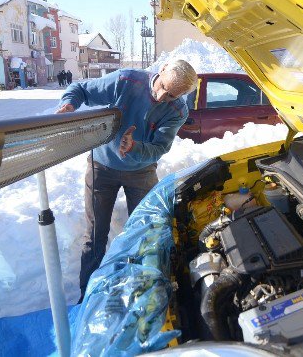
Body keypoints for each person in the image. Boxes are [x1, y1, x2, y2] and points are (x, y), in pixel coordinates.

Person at [56, 60, 197, 300]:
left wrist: (135, 148)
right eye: (162, 86)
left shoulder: (177, 111)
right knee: (95, 234)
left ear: (183, 95)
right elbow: (80, 89)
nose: (162, 96)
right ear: (161, 69)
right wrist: (69, 105)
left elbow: (159, 148)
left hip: (141, 172)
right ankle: (86, 295)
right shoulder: (126, 80)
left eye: (172, 94)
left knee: (146, 233)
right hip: (102, 166)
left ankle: (138, 291)